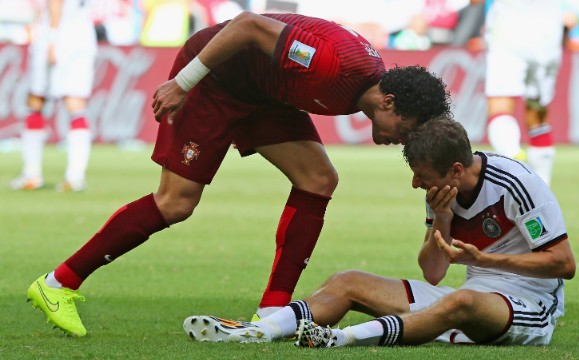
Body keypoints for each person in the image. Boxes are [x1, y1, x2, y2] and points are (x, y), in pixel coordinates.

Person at [26, 11, 452, 337]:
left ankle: (271, 314)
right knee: (176, 203)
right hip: (214, 80)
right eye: (407, 131)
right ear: (390, 102)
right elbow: (248, 25)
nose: (402, 141)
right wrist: (184, 82)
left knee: (319, 179)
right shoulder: (329, 64)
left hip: (262, 93)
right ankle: (56, 284)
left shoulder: (371, 86)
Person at [183, 117, 576, 348]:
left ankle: (343, 338)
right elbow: (434, 273)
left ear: (456, 169)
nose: (415, 185)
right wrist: (441, 219)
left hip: (528, 306)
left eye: (421, 176)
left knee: (463, 303)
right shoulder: (441, 191)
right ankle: (259, 331)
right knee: (347, 281)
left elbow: (563, 263)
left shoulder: (516, 184)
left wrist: (485, 260)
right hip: (468, 292)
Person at [10, 0, 97, 192]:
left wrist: (52, 38)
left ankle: (31, 174)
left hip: (58, 35)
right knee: (76, 103)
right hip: (84, 35)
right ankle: (75, 177)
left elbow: (55, 3)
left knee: (36, 100)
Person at [479, 0, 564, 185]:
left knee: (500, 108)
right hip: (548, 35)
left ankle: (514, 160)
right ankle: (542, 191)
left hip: (509, 31)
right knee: (538, 112)